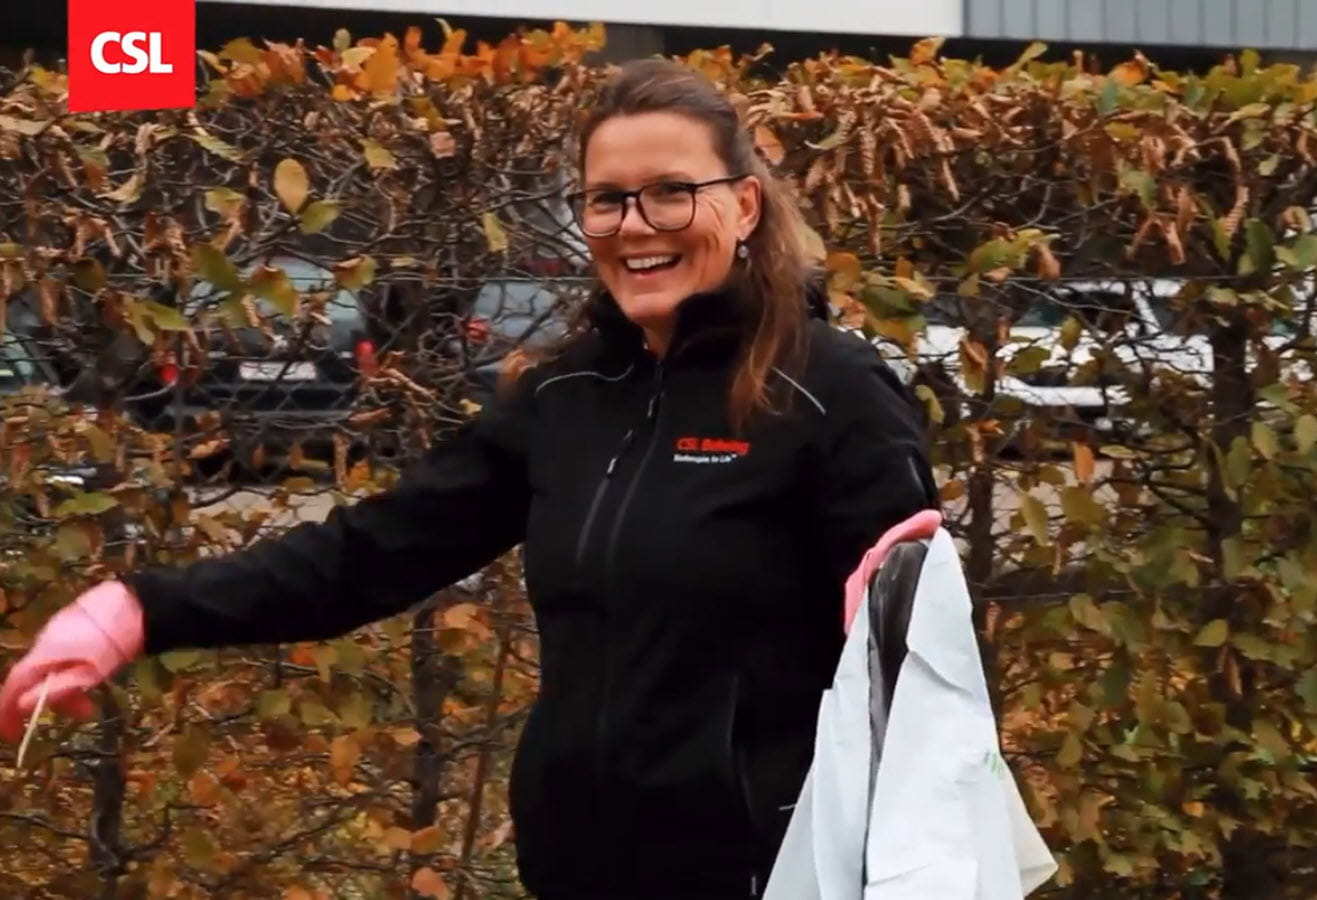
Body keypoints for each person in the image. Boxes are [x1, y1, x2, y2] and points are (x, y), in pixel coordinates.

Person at [0, 58, 938, 899]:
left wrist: (904, 621)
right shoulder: (566, 398)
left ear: (743, 206)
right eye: (606, 200)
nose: (634, 226)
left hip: (767, 877)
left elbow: (922, 683)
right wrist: (138, 610)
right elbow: (366, 556)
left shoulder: (831, 392)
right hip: (576, 874)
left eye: (670, 193)